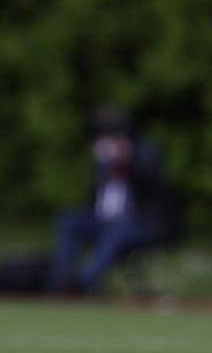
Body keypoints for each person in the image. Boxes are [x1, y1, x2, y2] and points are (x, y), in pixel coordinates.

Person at [46, 109, 177, 294]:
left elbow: (152, 180)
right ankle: (61, 281)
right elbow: (95, 199)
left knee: (118, 231)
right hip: (103, 221)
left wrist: (127, 158)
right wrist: (106, 165)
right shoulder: (102, 162)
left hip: (139, 224)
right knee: (68, 219)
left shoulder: (146, 153)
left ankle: (83, 285)